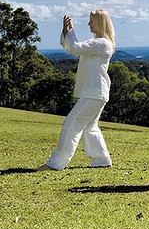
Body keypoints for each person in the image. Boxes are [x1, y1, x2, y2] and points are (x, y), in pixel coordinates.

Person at [36, 10, 116, 171]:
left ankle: (55, 164)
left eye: (91, 21)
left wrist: (70, 31)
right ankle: (101, 160)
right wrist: (67, 32)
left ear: (100, 22)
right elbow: (71, 46)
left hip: (95, 93)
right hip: (96, 93)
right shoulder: (99, 43)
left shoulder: (101, 43)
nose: (89, 24)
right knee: (89, 127)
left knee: (71, 124)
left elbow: (75, 47)